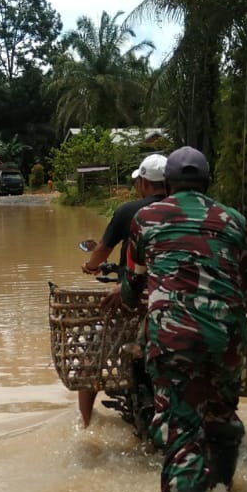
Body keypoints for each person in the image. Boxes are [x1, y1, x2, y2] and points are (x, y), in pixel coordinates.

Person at [109, 147, 247, 492]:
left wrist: (128, 296)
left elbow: (134, 283)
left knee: (182, 439)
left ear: (168, 184)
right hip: (227, 339)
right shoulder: (234, 219)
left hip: (173, 340)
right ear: (208, 183)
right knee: (222, 418)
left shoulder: (146, 218)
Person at [75, 154, 168, 426]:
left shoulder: (130, 211)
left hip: (130, 298)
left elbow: (103, 249)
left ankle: (85, 424)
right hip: (173, 303)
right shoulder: (185, 212)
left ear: (143, 183)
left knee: (91, 355)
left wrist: (91, 266)